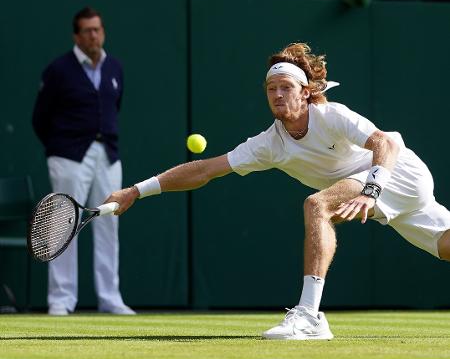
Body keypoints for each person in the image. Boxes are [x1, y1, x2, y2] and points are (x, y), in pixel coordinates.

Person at [104, 42, 450, 338]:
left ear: (305, 91)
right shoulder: (269, 144)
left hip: (397, 172)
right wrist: (136, 190)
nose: (278, 94)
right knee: (446, 245)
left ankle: (310, 317)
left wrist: (371, 190)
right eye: (272, 89)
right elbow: (206, 170)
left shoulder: (330, 115)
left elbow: (384, 142)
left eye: (286, 87)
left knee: (317, 205)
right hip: (384, 192)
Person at [32, 7, 135, 316]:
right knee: (62, 225)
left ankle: (110, 297)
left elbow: (115, 106)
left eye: (98, 29)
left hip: (108, 156)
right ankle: (61, 300)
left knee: (109, 224)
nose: (94, 35)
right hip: (69, 156)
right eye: (88, 31)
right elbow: (40, 118)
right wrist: (59, 149)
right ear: (77, 36)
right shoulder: (58, 70)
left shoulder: (114, 67)